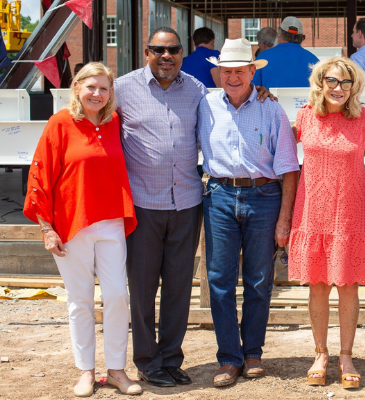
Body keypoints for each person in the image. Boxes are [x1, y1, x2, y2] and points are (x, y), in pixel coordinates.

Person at [22, 62, 141, 397]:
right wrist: (46, 228)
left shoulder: (116, 121)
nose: (97, 94)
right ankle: (86, 371)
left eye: (104, 88)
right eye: (91, 87)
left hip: (112, 220)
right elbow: (40, 174)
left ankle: (116, 369)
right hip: (72, 223)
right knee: (80, 300)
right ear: (76, 87)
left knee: (118, 295)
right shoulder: (60, 123)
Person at [198, 38, 300, 388]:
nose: (233, 77)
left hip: (264, 195)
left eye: (240, 71)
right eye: (227, 71)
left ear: (252, 72)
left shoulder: (271, 108)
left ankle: (252, 352)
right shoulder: (206, 105)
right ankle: (229, 357)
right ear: (219, 73)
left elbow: (289, 167)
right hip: (220, 194)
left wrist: (285, 218)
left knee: (259, 279)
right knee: (219, 279)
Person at [115, 26, 207, 388]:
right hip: (143, 205)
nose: (166, 56)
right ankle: (146, 360)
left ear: (182, 53)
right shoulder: (122, 89)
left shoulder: (197, 90)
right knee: (141, 287)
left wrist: (262, 93)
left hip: (186, 202)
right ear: (147, 52)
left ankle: (171, 358)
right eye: (159, 50)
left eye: (173, 50)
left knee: (178, 287)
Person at [289, 57, 365, 390]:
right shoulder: (304, 117)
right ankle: (320, 353)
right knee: (318, 286)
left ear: (354, 87)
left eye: (346, 82)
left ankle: (346, 355)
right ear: (320, 82)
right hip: (313, 210)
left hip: (349, 212)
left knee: (348, 286)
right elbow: (281, 151)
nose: (338, 88)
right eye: (332, 81)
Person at [253, 17, 320, 89]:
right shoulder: (314, 61)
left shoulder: (262, 58)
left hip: (271, 100)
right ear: (301, 38)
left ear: (279, 34)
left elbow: (252, 90)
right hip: (304, 100)